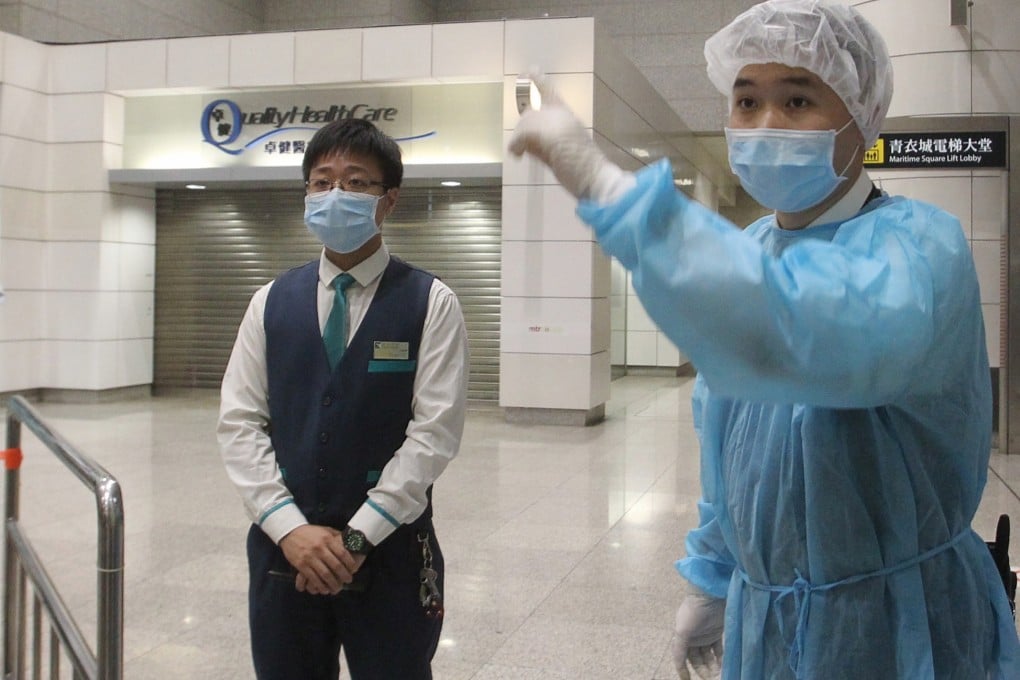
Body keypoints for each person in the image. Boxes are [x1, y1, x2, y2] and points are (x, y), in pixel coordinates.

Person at [509, 0, 1020, 678]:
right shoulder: (748, 248)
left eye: (798, 99)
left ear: (861, 117)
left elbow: (802, 329)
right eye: (746, 102)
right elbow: (729, 450)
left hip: (897, 625)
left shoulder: (919, 248)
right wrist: (715, 577)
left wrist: (607, 185)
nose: (766, 123)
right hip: (765, 620)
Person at [217, 118, 469, 679]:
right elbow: (239, 424)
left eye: (355, 183)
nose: (335, 195)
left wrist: (358, 536)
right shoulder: (269, 302)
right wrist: (290, 529)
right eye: (321, 181)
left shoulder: (431, 302)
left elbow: (434, 434)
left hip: (391, 555)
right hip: (286, 554)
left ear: (389, 201)